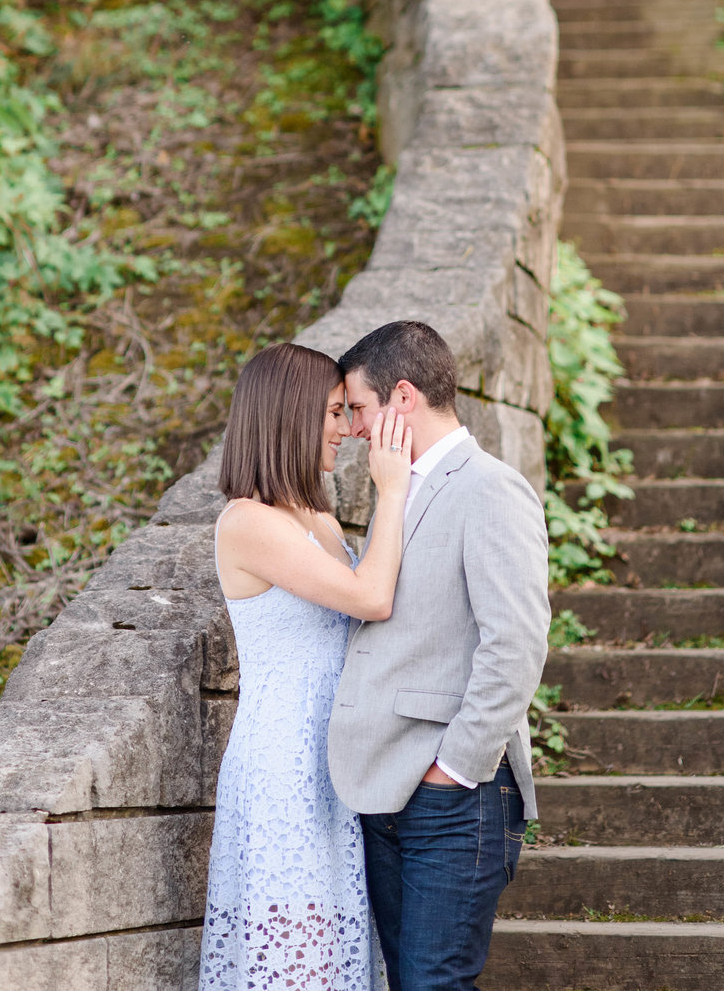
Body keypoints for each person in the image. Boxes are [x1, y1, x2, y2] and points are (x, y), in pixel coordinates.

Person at [329, 319, 550, 991]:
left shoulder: (488, 487)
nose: (355, 428)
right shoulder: (397, 487)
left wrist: (454, 767)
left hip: (455, 796)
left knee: (432, 983)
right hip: (385, 787)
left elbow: (514, 643)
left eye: (358, 408)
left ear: (402, 398)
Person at [200, 341, 413, 991]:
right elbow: (372, 597)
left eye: (349, 412)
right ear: (289, 416)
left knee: (338, 955)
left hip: (332, 766)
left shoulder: (318, 517)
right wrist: (394, 490)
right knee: (294, 960)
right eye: (332, 413)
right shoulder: (249, 523)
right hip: (280, 770)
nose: (347, 430)